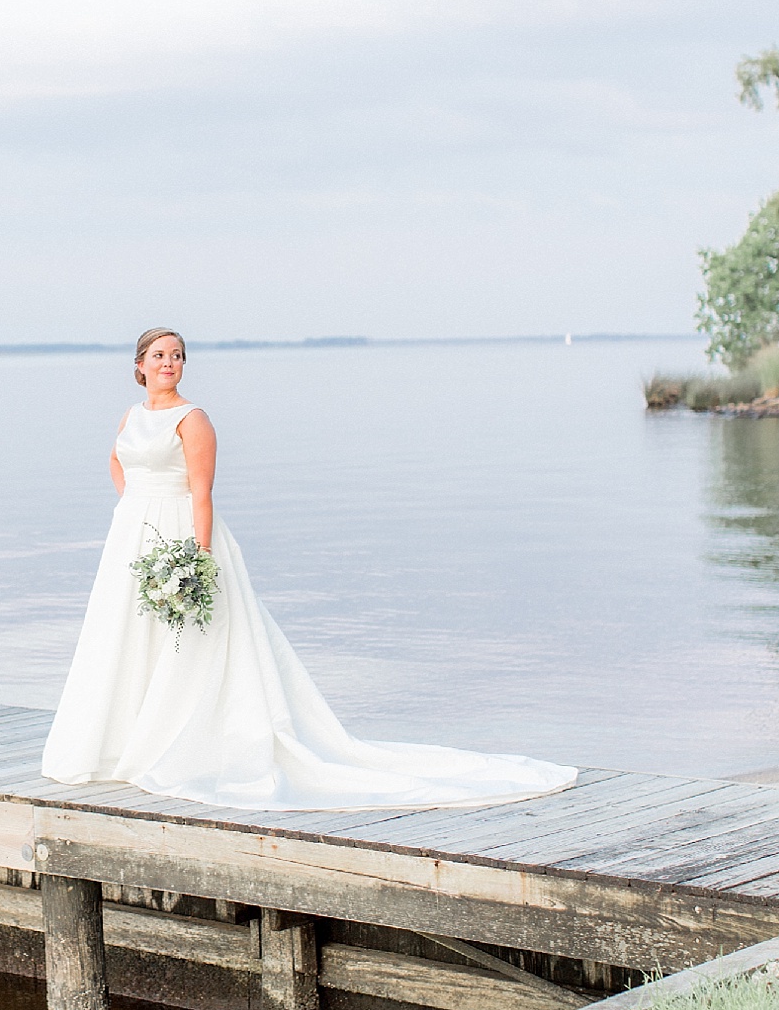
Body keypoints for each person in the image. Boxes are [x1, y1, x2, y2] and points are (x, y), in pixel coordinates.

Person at [40, 327, 578, 811]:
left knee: (188, 642)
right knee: (128, 636)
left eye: (177, 356)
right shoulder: (131, 416)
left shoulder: (193, 419)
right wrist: (134, 509)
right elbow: (117, 461)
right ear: (139, 364)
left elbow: (202, 493)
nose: (169, 363)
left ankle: (179, 742)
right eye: (159, 355)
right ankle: (124, 740)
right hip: (133, 537)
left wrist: (198, 559)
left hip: (182, 534)